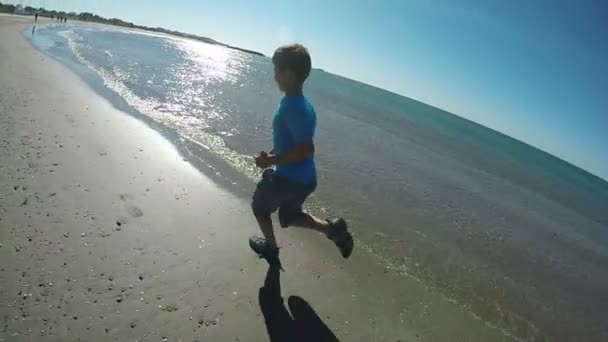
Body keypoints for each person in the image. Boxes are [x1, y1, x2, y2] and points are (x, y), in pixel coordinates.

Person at [249, 44, 354, 264]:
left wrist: (269, 161)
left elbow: (305, 149)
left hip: (290, 179)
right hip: (305, 179)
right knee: (288, 216)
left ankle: (271, 248)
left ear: (288, 73)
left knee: (260, 207)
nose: (274, 75)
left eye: (277, 70)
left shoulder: (291, 107)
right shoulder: (303, 104)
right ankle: (332, 230)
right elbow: (295, 141)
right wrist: (272, 152)